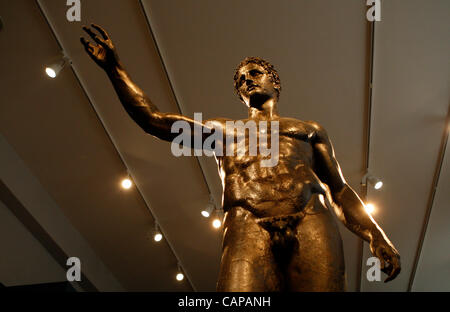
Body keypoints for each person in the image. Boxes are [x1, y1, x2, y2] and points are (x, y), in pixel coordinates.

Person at [81, 24, 400, 291]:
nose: (247, 79)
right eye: (241, 80)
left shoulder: (308, 129)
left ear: (273, 81)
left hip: (310, 219)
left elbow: (340, 190)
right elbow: (154, 120)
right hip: (247, 222)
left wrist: (376, 235)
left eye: (255, 73)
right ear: (240, 94)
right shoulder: (223, 130)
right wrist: (114, 69)